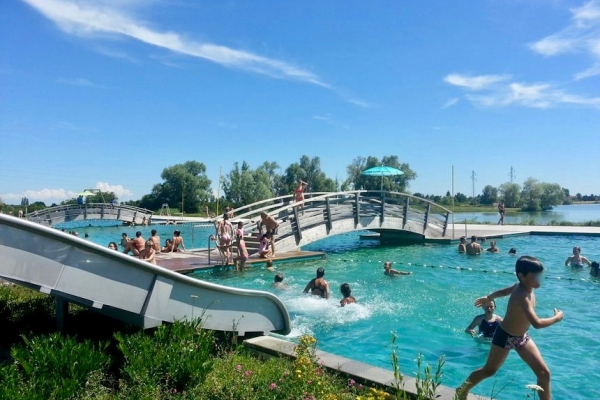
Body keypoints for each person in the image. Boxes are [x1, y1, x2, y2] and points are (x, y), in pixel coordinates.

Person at [456, 256, 564, 400]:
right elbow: (537, 323)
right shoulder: (522, 295)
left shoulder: (523, 286)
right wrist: (557, 318)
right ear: (522, 276)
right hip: (505, 336)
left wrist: (489, 297)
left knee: (544, 373)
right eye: (536, 275)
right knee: (489, 370)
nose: (539, 278)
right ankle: (461, 390)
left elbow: (503, 292)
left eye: (540, 275)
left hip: (522, 337)